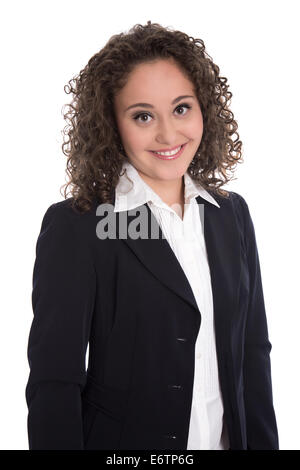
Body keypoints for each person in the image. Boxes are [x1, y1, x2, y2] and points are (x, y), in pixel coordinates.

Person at [25, 21, 279, 450]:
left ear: (204, 110)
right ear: (112, 123)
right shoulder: (82, 226)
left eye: (181, 108)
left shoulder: (230, 215)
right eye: (143, 115)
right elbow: (55, 382)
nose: (167, 134)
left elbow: (252, 356)